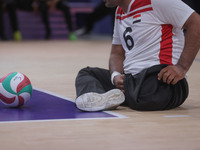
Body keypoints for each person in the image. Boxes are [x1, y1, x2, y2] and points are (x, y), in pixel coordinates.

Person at [74, 0, 200, 112]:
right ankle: (105, 99)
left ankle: (114, 95)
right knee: (86, 73)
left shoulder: (157, 2)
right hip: (132, 81)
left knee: (148, 95)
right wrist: (115, 76)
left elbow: (196, 23)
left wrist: (181, 67)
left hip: (163, 80)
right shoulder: (120, 12)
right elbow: (116, 53)